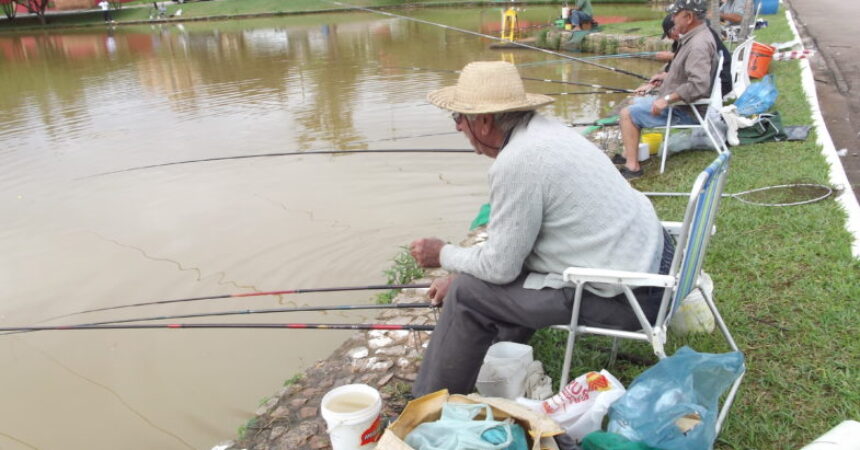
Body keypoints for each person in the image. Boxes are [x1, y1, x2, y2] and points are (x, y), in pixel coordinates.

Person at [408, 61, 674, 397]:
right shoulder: (548, 130)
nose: (459, 127)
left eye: (459, 118)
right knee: (480, 281)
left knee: (465, 295)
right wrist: (468, 269)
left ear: (484, 121)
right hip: (657, 267)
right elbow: (511, 253)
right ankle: (497, 362)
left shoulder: (517, 161)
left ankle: (426, 406)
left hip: (629, 300)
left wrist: (443, 253)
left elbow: (500, 268)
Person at [616, 0, 716, 179]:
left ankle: (632, 167)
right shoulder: (695, 37)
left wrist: (666, 99)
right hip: (684, 105)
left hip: (687, 111)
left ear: (689, 16)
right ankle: (628, 155)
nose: (672, 19)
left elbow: (699, 84)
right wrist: (665, 78)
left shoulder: (697, 44)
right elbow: (685, 73)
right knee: (636, 103)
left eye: (675, 15)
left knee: (627, 114)